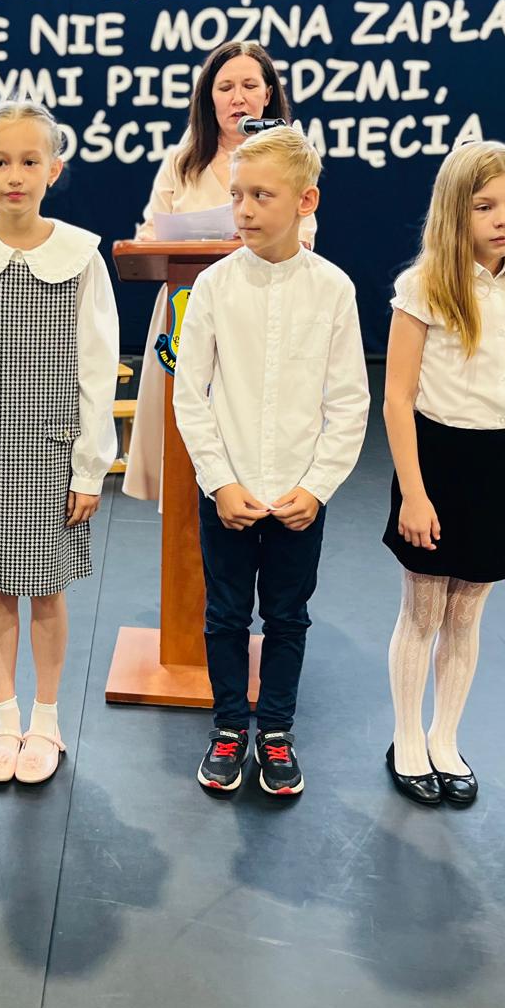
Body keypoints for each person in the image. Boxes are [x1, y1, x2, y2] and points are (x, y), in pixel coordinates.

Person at [0, 100, 120, 786]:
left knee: (49, 587)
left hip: (55, 452)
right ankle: (5, 717)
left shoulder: (81, 257)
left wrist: (90, 468)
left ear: (53, 170)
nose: (15, 175)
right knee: (0, 586)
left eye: (30, 161)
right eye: (1, 161)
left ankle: (47, 716)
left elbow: (97, 366)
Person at [173, 126, 368, 797]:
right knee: (225, 615)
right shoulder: (213, 286)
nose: (245, 209)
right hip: (228, 493)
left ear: (305, 200)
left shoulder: (333, 289)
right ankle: (230, 726)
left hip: (297, 497)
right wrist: (219, 482)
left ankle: (277, 731)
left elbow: (350, 401)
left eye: (262, 195)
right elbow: (190, 394)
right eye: (237, 195)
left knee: (288, 617)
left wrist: (317, 487)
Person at [379, 142, 505, 806]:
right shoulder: (423, 286)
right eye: (484, 206)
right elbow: (397, 397)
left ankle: (445, 736)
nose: (503, 218)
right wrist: (414, 493)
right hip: (438, 458)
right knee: (424, 608)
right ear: (456, 212)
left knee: (467, 611)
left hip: (501, 460)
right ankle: (406, 736)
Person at [126, 40, 317, 506]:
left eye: (250, 85)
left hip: (263, 311)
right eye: (225, 87)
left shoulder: (291, 158)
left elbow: (306, 236)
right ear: (208, 97)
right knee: (187, 435)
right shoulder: (182, 161)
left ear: (268, 95)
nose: (238, 98)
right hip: (185, 308)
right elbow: (149, 236)